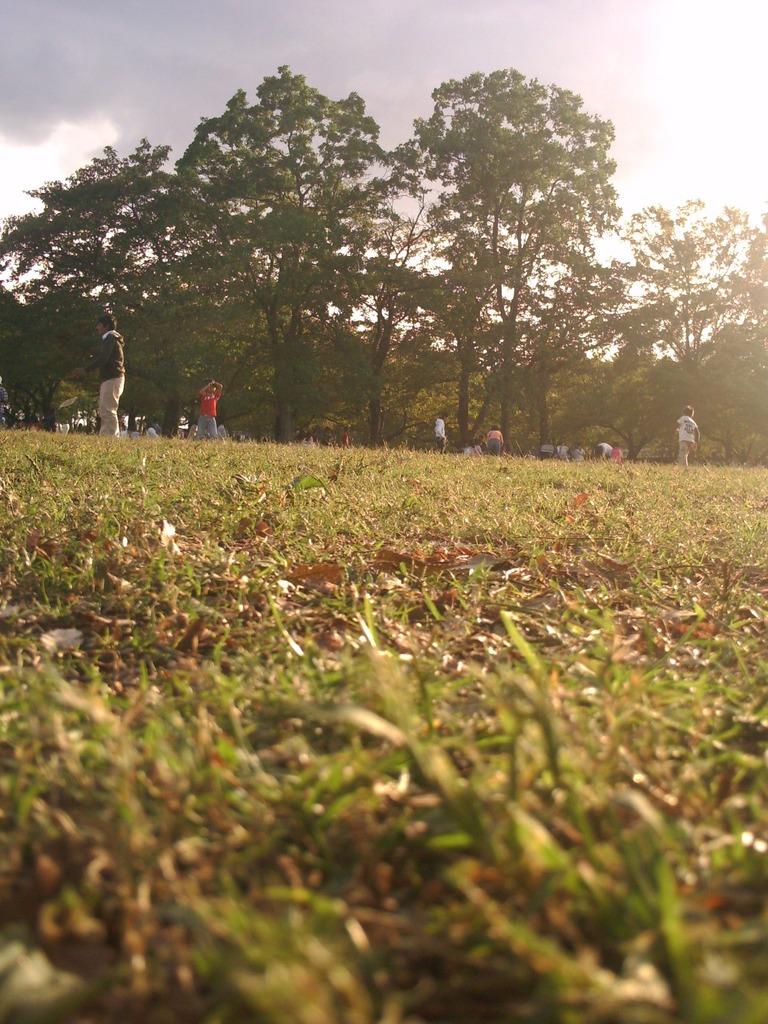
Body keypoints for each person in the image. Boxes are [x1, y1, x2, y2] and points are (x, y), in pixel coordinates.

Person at [74, 313, 125, 437]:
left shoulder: (110, 338)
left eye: (99, 325)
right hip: (111, 378)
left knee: (108, 409)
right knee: (104, 409)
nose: (97, 328)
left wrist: (85, 370)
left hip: (112, 378)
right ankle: (106, 436)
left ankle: (111, 438)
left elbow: (103, 358)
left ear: (106, 326)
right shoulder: (111, 339)